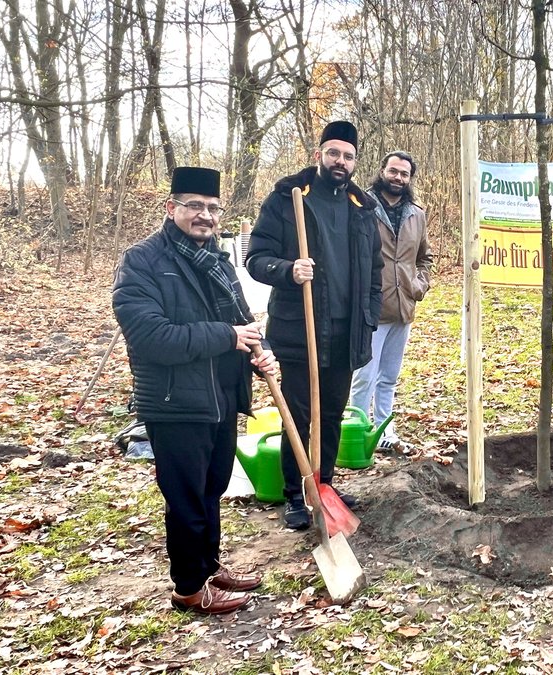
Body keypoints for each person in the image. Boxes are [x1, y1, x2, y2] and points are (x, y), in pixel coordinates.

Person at [113, 167, 277, 614]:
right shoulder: (143, 261)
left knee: (212, 487)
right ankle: (188, 588)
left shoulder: (219, 261)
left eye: (212, 208)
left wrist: (259, 354)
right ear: (172, 208)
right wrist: (227, 336)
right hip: (175, 400)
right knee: (186, 497)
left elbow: (243, 322)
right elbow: (150, 336)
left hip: (221, 396)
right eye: (193, 206)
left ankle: (208, 565)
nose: (204, 215)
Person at [246, 121, 383, 531]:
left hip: (347, 332)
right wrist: (289, 269)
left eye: (348, 156)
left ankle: (324, 484)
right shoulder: (289, 200)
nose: (340, 161)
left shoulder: (362, 208)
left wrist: (369, 316)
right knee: (299, 414)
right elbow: (256, 258)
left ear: (355, 162)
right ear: (318, 155)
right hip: (300, 328)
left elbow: (374, 272)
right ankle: (295, 492)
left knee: (334, 414)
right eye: (333, 153)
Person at [348, 151, 433, 451]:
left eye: (404, 174)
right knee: (364, 377)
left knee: (389, 377)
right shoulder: (362, 207)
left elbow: (425, 258)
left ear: (410, 178)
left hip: (403, 308)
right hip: (370, 308)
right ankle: (357, 432)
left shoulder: (416, 215)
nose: (398, 178)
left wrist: (418, 286)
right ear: (382, 171)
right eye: (393, 171)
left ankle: (385, 432)